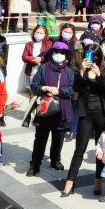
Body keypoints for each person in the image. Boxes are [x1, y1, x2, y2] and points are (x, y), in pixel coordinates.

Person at [61, 49, 105, 197]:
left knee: (99, 150)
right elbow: (75, 88)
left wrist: (99, 75)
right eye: (90, 57)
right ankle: (70, 181)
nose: (92, 60)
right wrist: (82, 71)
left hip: (101, 114)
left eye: (95, 57)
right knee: (79, 149)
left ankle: (98, 180)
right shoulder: (81, 71)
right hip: (85, 114)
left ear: (99, 58)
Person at [28, 41, 75, 176]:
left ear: (66, 55)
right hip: (45, 108)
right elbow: (34, 85)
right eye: (56, 52)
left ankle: (55, 160)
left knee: (58, 138)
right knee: (40, 139)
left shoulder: (69, 72)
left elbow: (71, 89)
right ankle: (35, 164)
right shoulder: (44, 68)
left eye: (62, 52)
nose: (58, 54)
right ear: (52, 53)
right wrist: (44, 88)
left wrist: (59, 91)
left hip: (62, 109)